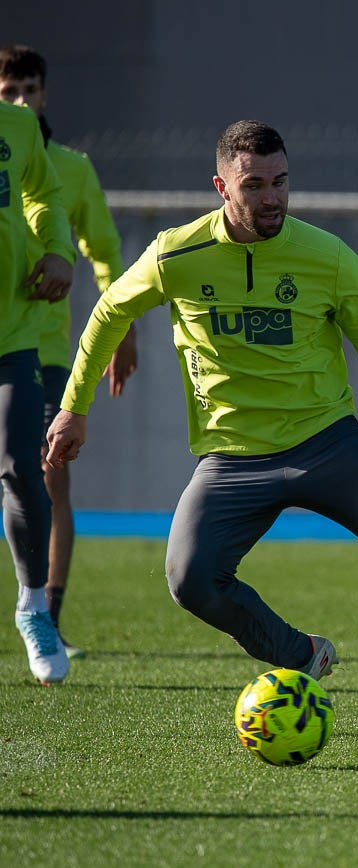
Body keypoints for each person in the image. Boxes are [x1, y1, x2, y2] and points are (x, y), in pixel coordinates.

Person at [47, 121, 358, 739]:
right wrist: (75, 407)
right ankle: (302, 655)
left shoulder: (328, 257)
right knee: (190, 580)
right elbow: (109, 310)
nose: (273, 197)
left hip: (329, 444)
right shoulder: (177, 254)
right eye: (254, 185)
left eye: (281, 182)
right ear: (222, 186)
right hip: (231, 459)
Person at [1, 45, 138, 661]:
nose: (22, 100)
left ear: (45, 93)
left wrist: (123, 323)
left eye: (30, 88)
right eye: (11, 91)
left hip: (44, 343)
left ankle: (47, 612)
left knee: (47, 473)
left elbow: (104, 249)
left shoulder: (69, 169)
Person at [0, 98, 74, 685]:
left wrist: (55, 248)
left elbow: (44, 194)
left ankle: (34, 605)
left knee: (24, 465)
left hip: (12, 328)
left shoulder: (19, 124)